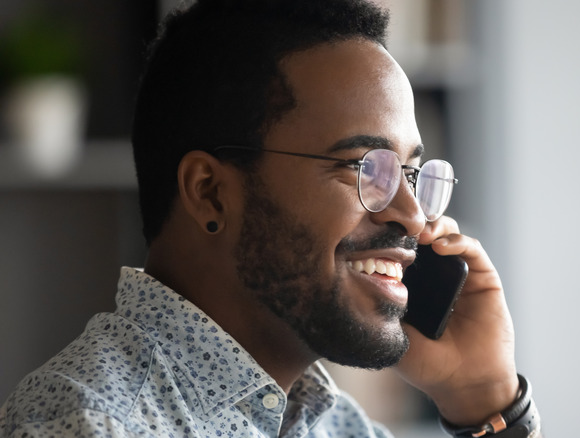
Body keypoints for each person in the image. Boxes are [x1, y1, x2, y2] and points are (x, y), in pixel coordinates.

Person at [0, 1, 541, 437]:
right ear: (210, 194)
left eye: (412, 174)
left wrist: (483, 402)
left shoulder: (334, 425)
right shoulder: (90, 426)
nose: (413, 218)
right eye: (364, 168)